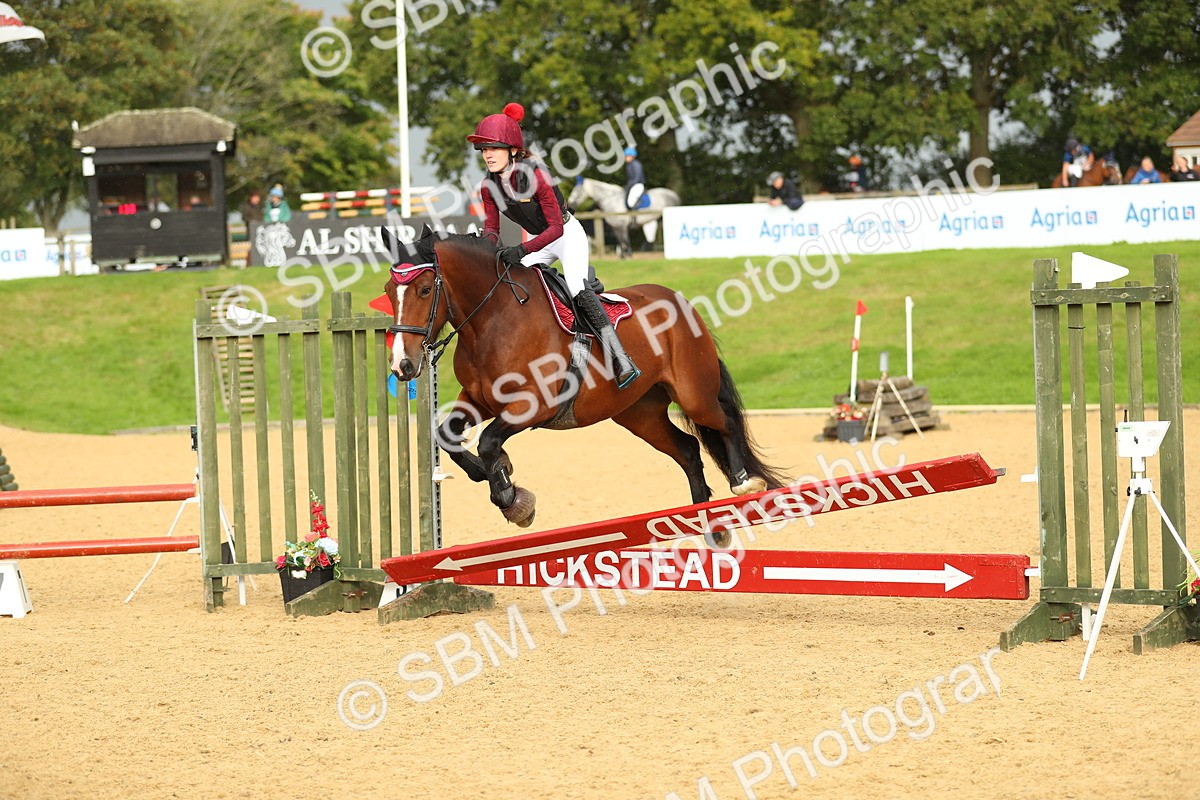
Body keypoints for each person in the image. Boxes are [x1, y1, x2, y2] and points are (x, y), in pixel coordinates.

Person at [467, 102, 639, 388]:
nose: (487, 155)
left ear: (512, 150)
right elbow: (492, 229)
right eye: (484, 149)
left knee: (575, 286)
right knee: (511, 283)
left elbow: (556, 228)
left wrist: (522, 250)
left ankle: (620, 357)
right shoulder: (489, 186)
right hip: (539, 243)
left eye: (493, 148)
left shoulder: (535, 175)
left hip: (566, 234)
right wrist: (486, 250)